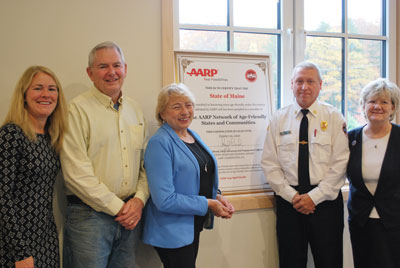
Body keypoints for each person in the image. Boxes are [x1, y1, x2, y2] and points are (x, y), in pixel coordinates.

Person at [60, 41, 149, 268]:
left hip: (131, 216)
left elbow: (146, 165)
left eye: (116, 65)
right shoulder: (77, 110)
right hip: (90, 218)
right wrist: (120, 209)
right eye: (103, 67)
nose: (111, 72)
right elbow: (76, 174)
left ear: (125, 69)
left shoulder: (135, 109)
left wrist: (139, 200)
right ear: (90, 73)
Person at [261, 62, 349, 268]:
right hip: (289, 201)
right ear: (291, 84)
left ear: (320, 85)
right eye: (299, 81)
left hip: (325, 202)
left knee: (329, 261)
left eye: (310, 81)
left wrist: (314, 197)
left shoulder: (334, 117)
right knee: (290, 261)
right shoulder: (279, 119)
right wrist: (293, 196)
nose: (304, 87)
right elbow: (269, 163)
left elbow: (340, 163)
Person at [142, 83, 235, 268]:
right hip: (172, 231)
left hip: (192, 225)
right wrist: (208, 203)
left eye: (188, 104)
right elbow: (165, 200)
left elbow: (195, 179)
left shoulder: (191, 135)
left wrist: (217, 196)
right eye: (176, 107)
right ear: (162, 113)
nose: (185, 111)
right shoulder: (159, 143)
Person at [0, 66, 67, 268]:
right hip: (13, 242)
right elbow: (2, 197)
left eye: (52, 89)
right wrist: (20, 252)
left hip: (45, 238)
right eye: (38, 88)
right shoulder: (12, 135)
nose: (46, 94)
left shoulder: (51, 138)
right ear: (24, 96)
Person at [346, 78, 400, 268]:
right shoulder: (350, 138)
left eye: (384, 102)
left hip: (394, 220)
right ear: (363, 105)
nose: (377, 106)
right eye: (372, 101)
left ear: (393, 107)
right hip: (361, 219)